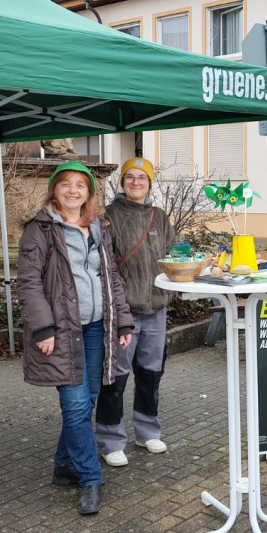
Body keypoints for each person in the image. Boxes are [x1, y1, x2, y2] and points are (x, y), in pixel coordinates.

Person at [17, 162, 134, 515]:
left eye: (80, 185)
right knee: (77, 405)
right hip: (62, 330)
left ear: (89, 193)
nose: (72, 190)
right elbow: (29, 283)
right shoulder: (39, 230)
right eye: (66, 184)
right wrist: (43, 329)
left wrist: (123, 324)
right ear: (54, 190)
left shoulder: (98, 227)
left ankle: (62, 465)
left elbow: (111, 276)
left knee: (90, 398)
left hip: (98, 326)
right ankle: (90, 479)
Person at [96, 158, 176, 467]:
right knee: (115, 376)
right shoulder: (109, 216)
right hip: (123, 312)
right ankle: (110, 439)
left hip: (156, 307)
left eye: (142, 178)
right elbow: (104, 263)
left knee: (151, 374)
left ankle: (146, 432)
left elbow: (174, 253)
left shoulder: (159, 217)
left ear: (150, 182)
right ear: (122, 182)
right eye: (129, 177)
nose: (135, 182)